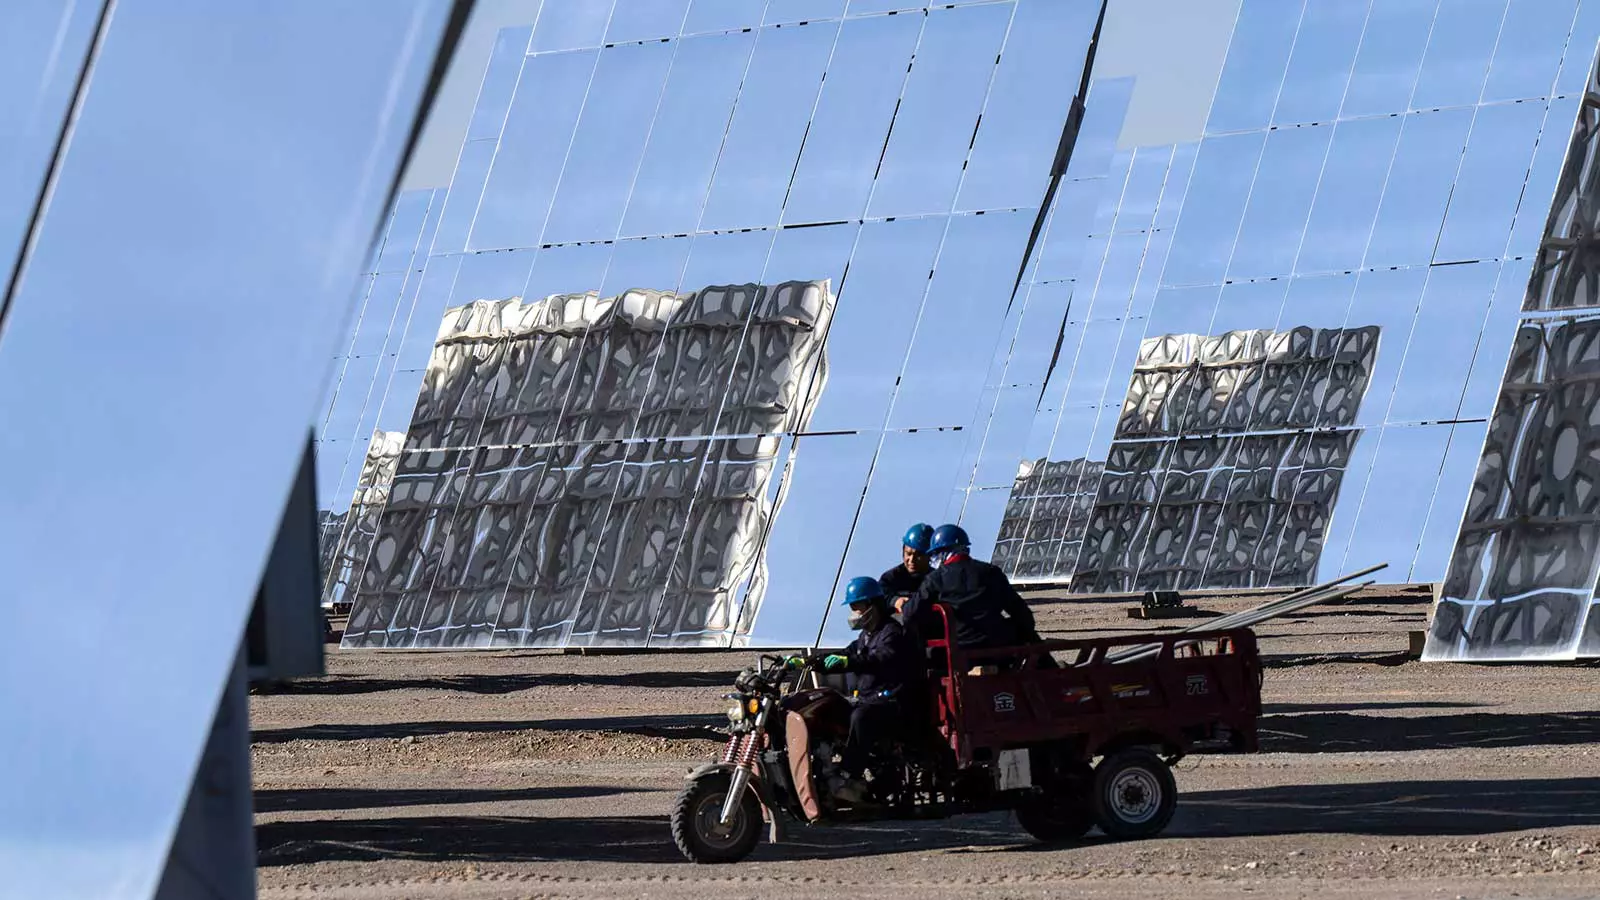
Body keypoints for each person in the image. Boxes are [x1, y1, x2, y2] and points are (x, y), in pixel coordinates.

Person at [788, 576, 923, 803]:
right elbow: (846, 654)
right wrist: (812, 662)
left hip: (893, 703)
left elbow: (879, 658)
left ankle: (849, 774)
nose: (854, 614)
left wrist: (848, 662)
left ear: (872, 606)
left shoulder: (891, 632)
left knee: (861, 717)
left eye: (857, 608)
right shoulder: (865, 636)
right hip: (870, 700)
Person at [901, 523, 1045, 654]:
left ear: (941, 553)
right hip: (999, 646)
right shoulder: (991, 572)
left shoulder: (935, 579)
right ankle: (1056, 673)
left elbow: (910, 614)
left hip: (958, 649)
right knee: (1026, 633)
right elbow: (1023, 614)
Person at [880, 522, 933, 614]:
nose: (911, 560)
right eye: (908, 554)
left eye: (919, 555)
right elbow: (878, 596)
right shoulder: (890, 578)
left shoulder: (937, 580)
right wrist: (895, 601)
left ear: (930, 555)